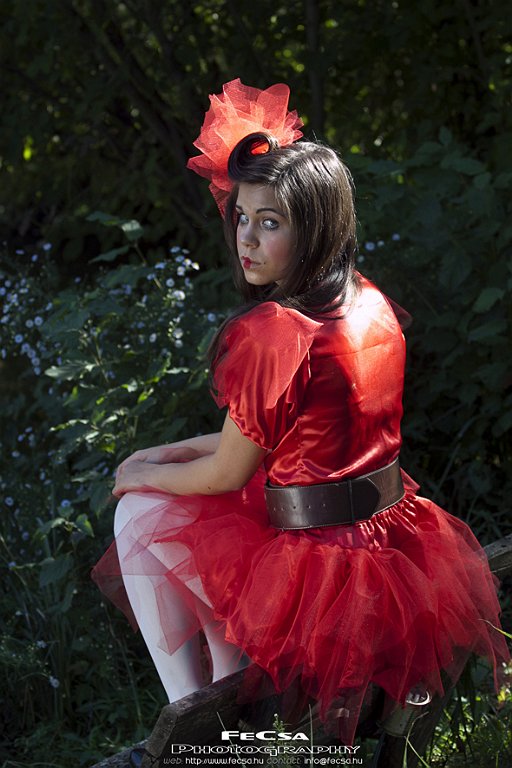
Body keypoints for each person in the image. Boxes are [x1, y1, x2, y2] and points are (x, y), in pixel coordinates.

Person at [91, 79, 509, 746]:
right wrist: (173, 453)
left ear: (315, 227)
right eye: (242, 218)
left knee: (139, 513)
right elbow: (284, 434)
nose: (247, 239)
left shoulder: (276, 332)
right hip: (390, 544)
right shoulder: (369, 304)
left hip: (319, 576)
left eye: (271, 222)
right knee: (187, 509)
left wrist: (142, 473)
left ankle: (194, 719)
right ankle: (224, 696)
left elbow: (227, 474)